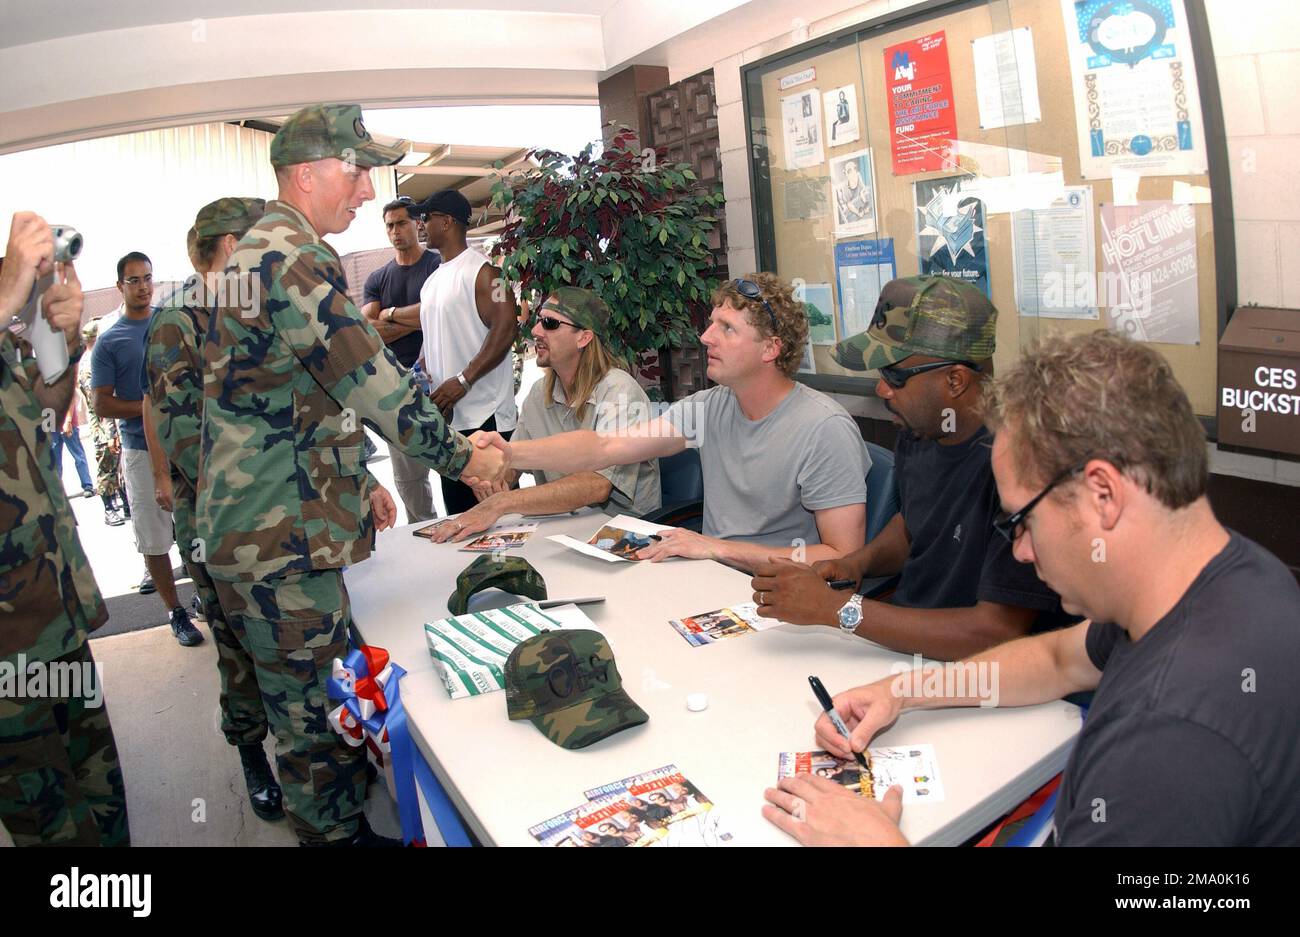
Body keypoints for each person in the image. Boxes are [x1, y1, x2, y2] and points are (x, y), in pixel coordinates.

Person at [762, 331, 1300, 847]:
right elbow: (1060, 657)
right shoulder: (1224, 576)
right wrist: (900, 692)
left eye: (1022, 520)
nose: (1019, 550)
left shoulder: (1167, 740)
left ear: (1104, 496)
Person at [198, 103, 506, 847]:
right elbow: (371, 378)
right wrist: (467, 456)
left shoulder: (266, 252)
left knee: (324, 699)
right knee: (312, 721)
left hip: (277, 528)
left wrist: (357, 474)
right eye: (356, 170)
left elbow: (307, 400)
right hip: (281, 541)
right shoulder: (290, 256)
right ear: (307, 173)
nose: (367, 191)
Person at [751, 276, 1072, 661]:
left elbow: (996, 632)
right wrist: (857, 563)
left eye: (894, 376)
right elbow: (914, 522)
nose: (883, 390)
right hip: (900, 645)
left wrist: (837, 610)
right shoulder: (921, 427)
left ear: (955, 380)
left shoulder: (1021, 466)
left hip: (982, 673)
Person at [469, 274, 868, 573]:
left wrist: (715, 548)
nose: (706, 336)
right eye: (711, 323)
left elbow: (843, 557)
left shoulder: (824, 428)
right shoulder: (710, 408)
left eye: (726, 328)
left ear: (771, 349)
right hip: (709, 575)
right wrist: (511, 451)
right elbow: (604, 448)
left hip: (779, 589)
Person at [142, 198, 285, 821]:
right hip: (219, 521)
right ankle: (252, 748)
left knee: (287, 637)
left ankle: (311, 748)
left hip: (281, 514)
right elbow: (181, 432)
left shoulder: (257, 310)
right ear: (230, 247)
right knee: (236, 640)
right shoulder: (179, 321)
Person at [0, 211, 130, 846]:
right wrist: (7, 293)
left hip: (54, 617)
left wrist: (63, 336)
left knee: (98, 791)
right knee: (47, 821)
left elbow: (48, 409)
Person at [431, 287, 661, 544]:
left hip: (624, 539)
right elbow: (511, 464)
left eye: (550, 324)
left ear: (584, 337)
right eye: (538, 321)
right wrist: (492, 481)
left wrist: (502, 503)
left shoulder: (620, 392)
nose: (536, 331)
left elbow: (597, 485)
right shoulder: (540, 393)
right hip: (564, 532)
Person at [90, 251, 199, 642]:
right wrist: (152, 408)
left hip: (186, 449)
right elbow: (101, 403)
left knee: (197, 529)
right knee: (155, 539)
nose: (143, 286)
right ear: (120, 286)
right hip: (139, 451)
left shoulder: (171, 323)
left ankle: (205, 596)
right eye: (134, 280)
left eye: (147, 278)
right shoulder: (110, 341)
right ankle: (176, 611)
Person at [415, 188, 519, 516]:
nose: (421, 225)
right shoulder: (431, 282)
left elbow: (507, 328)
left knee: (500, 519)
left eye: (426, 218)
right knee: (461, 520)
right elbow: (439, 337)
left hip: (485, 417)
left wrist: (463, 380)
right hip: (450, 421)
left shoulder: (487, 273)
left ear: (446, 222)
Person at [360, 195, 441, 523]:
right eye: (390, 225)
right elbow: (366, 331)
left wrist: (389, 315)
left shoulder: (437, 267)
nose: (395, 231)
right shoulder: (377, 278)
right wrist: (418, 318)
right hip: (395, 388)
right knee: (409, 480)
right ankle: (425, 539)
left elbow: (438, 312)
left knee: (457, 469)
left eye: (402, 223)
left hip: (439, 381)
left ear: (417, 224)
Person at [77, 321, 126, 525]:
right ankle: (108, 509)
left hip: (110, 424)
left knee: (118, 467)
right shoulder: (89, 364)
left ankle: (125, 502)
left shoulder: (96, 359)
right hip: (103, 426)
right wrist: (110, 434)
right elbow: (99, 401)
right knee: (107, 467)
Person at [49, 377, 95, 497]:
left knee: (78, 455)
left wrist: (68, 421)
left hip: (66, 423)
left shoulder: (59, 378)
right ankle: (57, 490)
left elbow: (69, 400)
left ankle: (87, 485)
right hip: (51, 424)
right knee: (55, 460)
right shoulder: (41, 381)